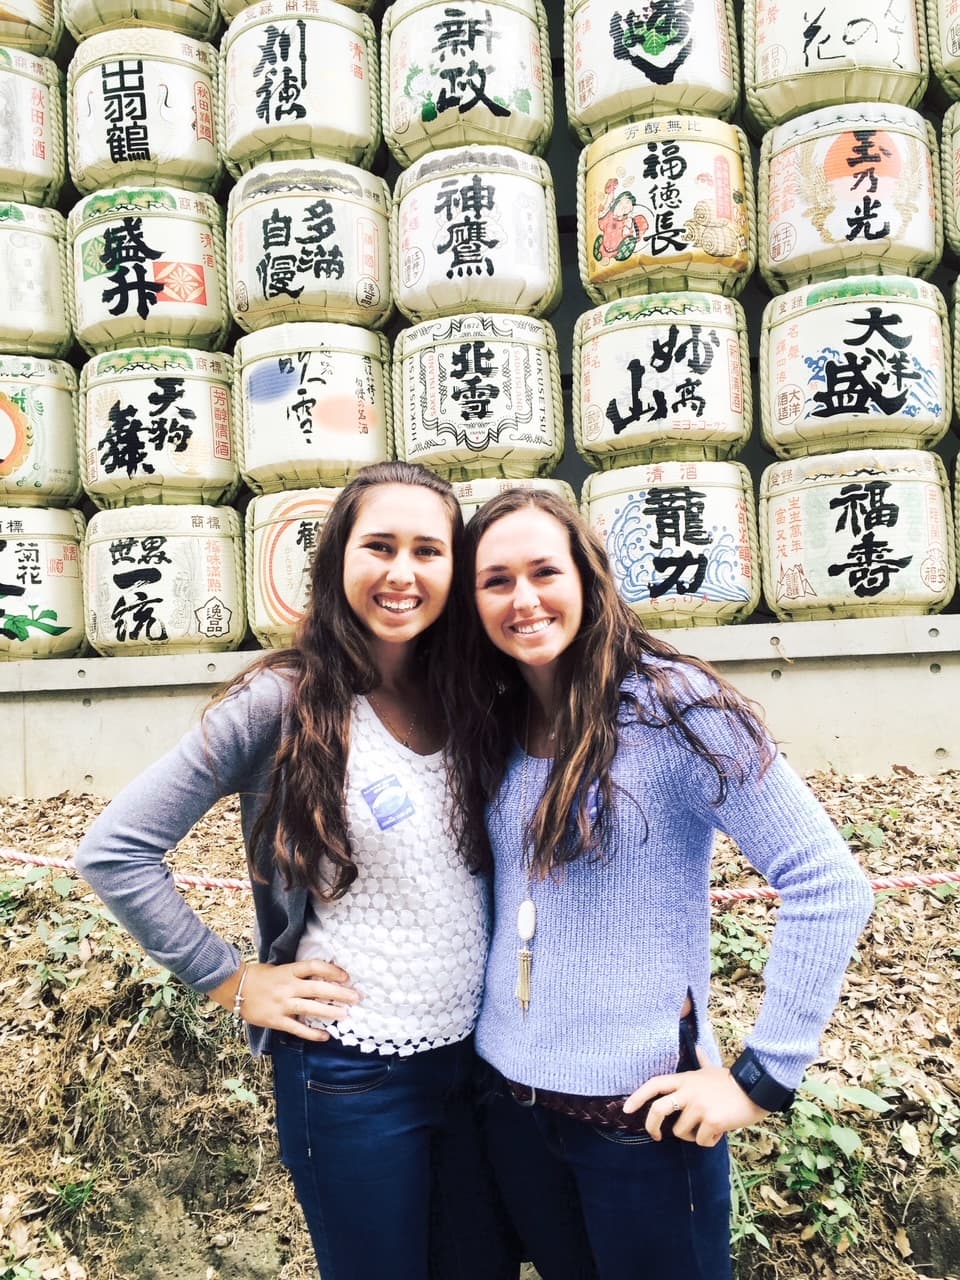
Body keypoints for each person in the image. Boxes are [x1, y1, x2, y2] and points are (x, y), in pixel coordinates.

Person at [75, 461, 517, 1280]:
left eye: (428, 551)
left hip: (475, 1063)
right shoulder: (282, 700)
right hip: (351, 1072)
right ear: (338, 556)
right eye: (379, 546)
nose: (402, 572)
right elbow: (115, 849)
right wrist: (232, 981)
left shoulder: (472, 696)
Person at [451, 488, 875, 1280]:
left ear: (588, 577)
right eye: (496, 581)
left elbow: (829, 883)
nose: (523, 599)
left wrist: (762, 1080)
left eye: (545, 571)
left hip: (642, 1123)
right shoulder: (492, 719)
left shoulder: (675, 707)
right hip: (513, 1110)